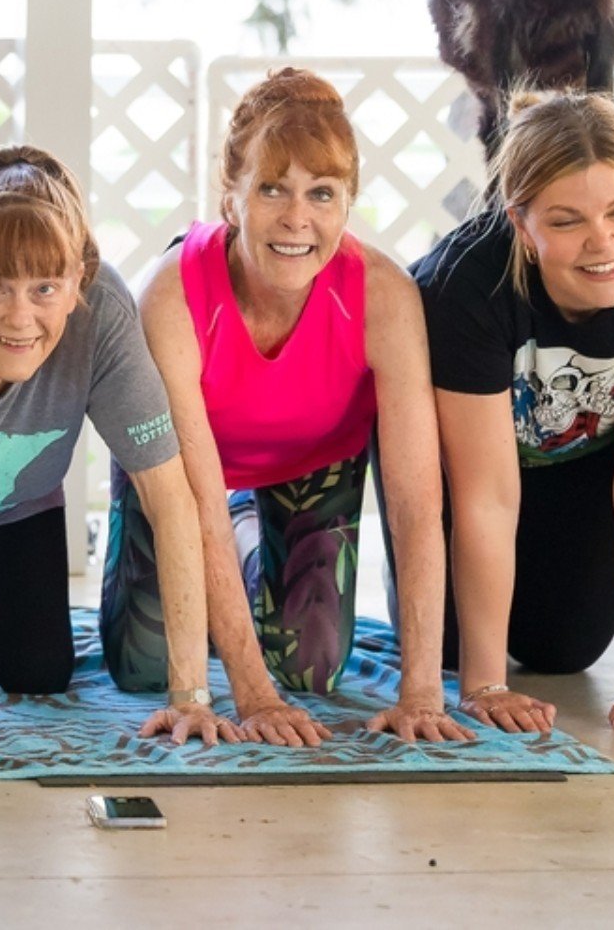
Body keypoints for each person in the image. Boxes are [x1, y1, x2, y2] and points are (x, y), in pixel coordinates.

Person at [102, 67, 471, 747]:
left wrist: (422, 690)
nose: (297, 218)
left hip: (312, 468)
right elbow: (199, 510)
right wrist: (252, 694)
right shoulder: (173, 296)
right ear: (231, 200)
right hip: (185, 486)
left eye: (321, 194)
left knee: (313, 670)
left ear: (348, 202)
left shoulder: (384, 297)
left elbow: (417, 505)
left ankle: (258, 539)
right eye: (272, 189)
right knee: (142, 667)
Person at [405, 89, 614, 739]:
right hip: (457, 475)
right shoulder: (467, 284)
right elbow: (486, 497)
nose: (602, 242)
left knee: (565, 651)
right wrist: (484, 685)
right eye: (565, 221)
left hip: (581, 461)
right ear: (520, 224)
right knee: (450, 655)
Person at [0, 146, 233, 744]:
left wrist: (191, 696)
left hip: (13, 502)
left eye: (45, 288)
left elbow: (170, 499)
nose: (21, 317)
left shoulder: (105, 320)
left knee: (38, 671)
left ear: (78, 284)